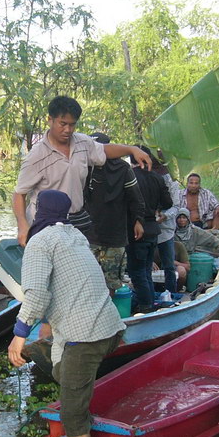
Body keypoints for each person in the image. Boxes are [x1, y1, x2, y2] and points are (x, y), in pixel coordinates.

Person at [7, 190, 124, 437]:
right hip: (108, 328)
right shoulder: (74, 235)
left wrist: (18, 334)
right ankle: (79, 430)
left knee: (72, 413)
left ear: (37, 212)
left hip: (84, 334)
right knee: (63, 371)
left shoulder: (40, 242)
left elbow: (38, 295)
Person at [12, 96, 151, 247]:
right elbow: (19, 193)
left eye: (72, 125)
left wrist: (131, 149)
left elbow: (104, 150)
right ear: (50, 120)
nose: (67, 130)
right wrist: (23, 225)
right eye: (62, 124)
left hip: (75, 221)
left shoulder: (83, 143)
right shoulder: (36, 156)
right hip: (44, 224)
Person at [84, 132, 146, 292]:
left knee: (110, 283)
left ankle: (107, 314)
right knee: (87, 281)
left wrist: (138, 221)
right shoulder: (84, 168)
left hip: (114, 236)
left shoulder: (123, 169)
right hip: (88, 235)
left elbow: (136, 198)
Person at [126, 150, 173, 314]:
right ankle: (149, 303)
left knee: (137, 272)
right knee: (145, 270)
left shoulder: (130, 175)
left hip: (137, 229)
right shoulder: (157, 177)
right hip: (153, 229)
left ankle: (146, 307)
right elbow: (168, 202)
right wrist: (156, 208)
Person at [150, 152, 180, 294]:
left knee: (169, 266)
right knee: (146, 265)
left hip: (166, 230)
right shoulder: (146, 178)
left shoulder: (171, 183)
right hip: (149, 229)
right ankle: (149, 295)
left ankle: (171, 294)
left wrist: (165, 216)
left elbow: (176, 206)